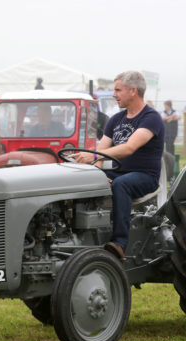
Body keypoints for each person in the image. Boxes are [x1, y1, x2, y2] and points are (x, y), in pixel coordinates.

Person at [71, 71, 164, 258]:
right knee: (82, 179)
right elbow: (100, 156)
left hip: (145, 176)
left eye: (118, 90)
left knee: (122, 184)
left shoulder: (151, 118)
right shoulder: (115, 120)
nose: (114, 94)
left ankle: (119, 243)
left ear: (133, 91)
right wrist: (94, 172)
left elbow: (129, 148)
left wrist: (94, 156)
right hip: (119, 173)